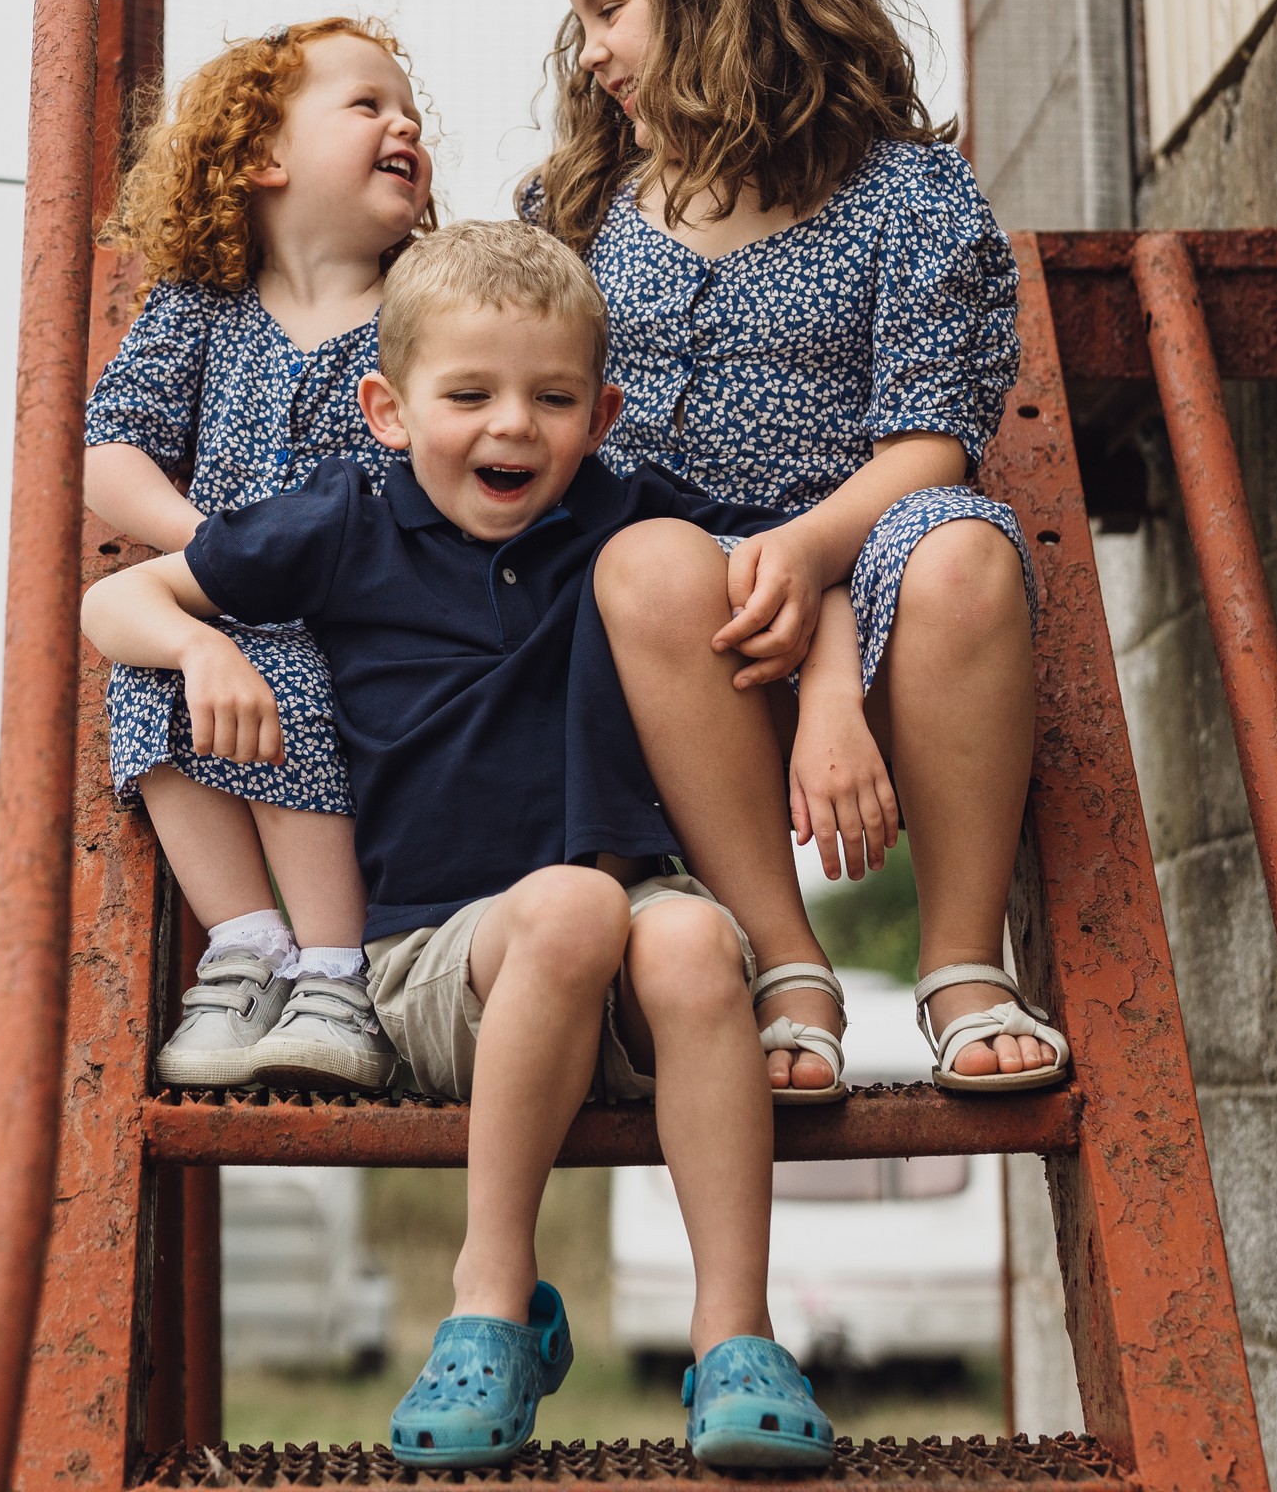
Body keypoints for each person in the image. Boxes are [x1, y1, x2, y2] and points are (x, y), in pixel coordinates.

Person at [80, 219, 836, 1474]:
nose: (512, 428)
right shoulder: (343, 520)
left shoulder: (626, 509)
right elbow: (118, 600)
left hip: (625, 950)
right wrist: (205, 645)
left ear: (600, 417)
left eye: (551, 399)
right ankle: (489, 1301)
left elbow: (798, 560)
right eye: (469, 395)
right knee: (569, 912)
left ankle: (734, 1338)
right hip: (438, 967)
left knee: (700, 940)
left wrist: (838, 697)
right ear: (387, 408)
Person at [530, 0, 1070, 1099]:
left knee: (958, 556)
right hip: (677, 628)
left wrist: (814, 559)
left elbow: (931, 444)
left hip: (876, 562)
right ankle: (787, 966)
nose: (593, 48)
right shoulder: (581, 212)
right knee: (647, 560)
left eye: (611, 9)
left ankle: (961, 966)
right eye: (583, 19)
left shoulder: (908, 200)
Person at [83, 15, 434, 1093]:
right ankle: (247, 948)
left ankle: (338, 974)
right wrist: (218, 551)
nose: (404, 123)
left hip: (378, 615)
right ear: (260, 157)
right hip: (230, 587)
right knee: (150, 655)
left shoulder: (421, 310)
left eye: (411, 112)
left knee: (273, 646)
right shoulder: (202, 309)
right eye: (366, 105)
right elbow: (113, 455)